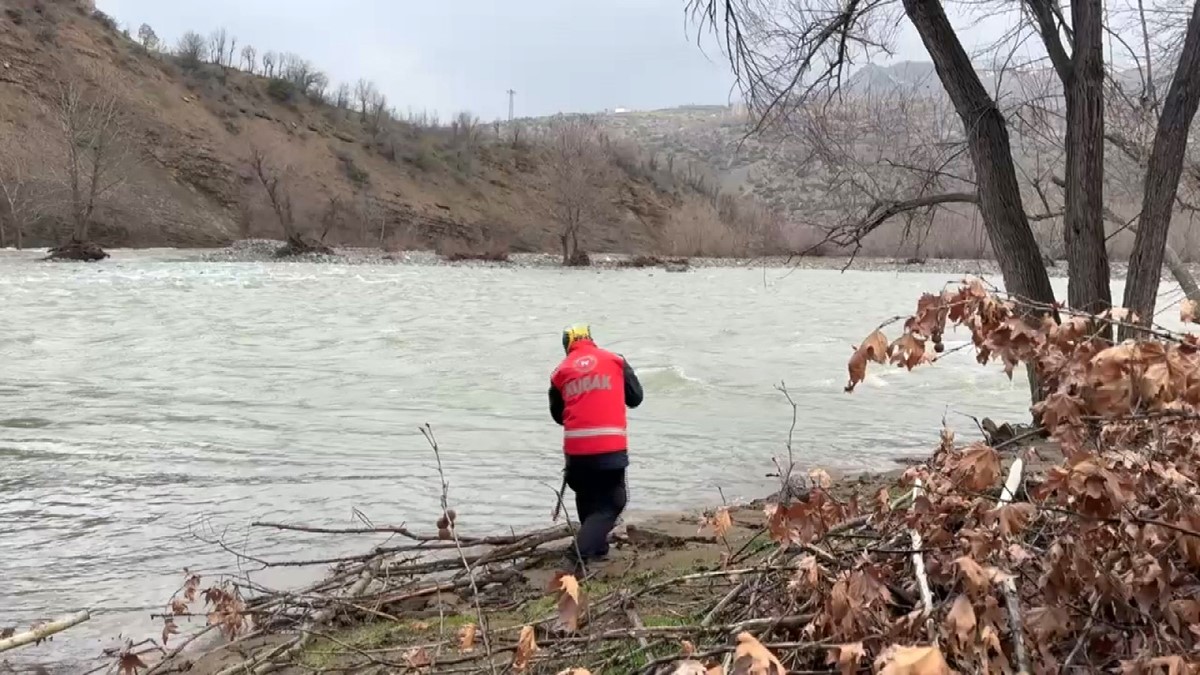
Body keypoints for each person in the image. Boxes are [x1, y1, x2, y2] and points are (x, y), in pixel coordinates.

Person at [549, 324, 643, 575]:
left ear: (567, 345)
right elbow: (636, 398)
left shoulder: (560, 372)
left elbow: (558, 416)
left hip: (576, 454)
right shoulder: (615, 361)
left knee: (587, 496)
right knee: (613, 502)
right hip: (609, 449)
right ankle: (576, 555)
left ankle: (597, 548)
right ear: (591, 339)